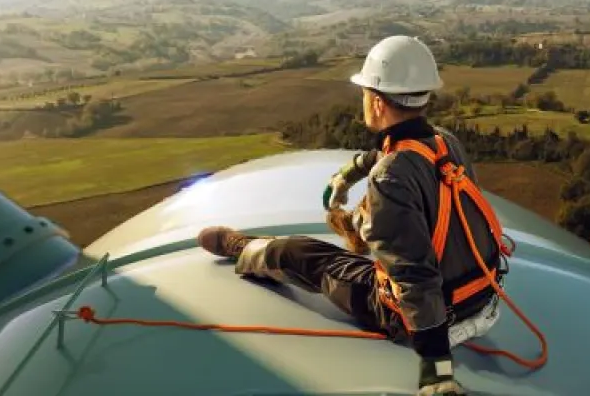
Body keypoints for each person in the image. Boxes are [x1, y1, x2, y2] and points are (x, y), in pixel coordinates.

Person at [197, 35, 509, 396]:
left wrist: (436, 372)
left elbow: (414, 279)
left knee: (304, 255)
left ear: (376, 103)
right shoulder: (444, 142)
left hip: (430, 320)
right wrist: (346, 177)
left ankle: (242, 248)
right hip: (482, 299)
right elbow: (388, 152)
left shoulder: (390, 177)